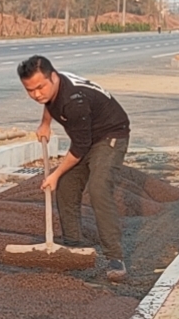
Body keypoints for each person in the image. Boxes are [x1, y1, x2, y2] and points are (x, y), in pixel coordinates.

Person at [16, 55, 132, 282]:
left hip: (110, 135)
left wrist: (55, 174)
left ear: (54, 77)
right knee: (67, 187)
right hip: (87, 135)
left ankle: (115, 257)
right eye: (30, 90)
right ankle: (73, 246)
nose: (37, 94)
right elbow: (49, 103)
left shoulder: (74, 101)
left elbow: (80, 148)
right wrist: (46, 123)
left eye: (40, 87)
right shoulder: (54, 89)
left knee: (98, 189)